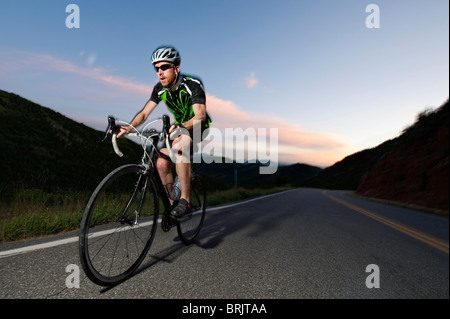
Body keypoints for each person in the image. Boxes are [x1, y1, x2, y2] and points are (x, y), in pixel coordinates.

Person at [117, 46, 211, 217]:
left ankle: (185, 201)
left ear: (176, 68)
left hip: (198, 126)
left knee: (178, 147)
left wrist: (182, 126)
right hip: (178, 127)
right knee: (161, 163)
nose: (160, 72)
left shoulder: (192, 85)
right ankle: (171, 206)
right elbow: (144, 113)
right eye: (157, 68)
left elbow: (200, 116)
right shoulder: (159, 89)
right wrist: (129, 127)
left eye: (165, 67)